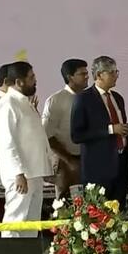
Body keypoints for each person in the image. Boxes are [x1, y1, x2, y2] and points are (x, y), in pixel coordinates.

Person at [0, 61, 53, 238]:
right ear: (19, 82)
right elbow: (7, 142)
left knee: (31, 223)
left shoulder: (24, 103)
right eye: (31, 78)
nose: (35, 81)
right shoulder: (7, 104)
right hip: (20, 175)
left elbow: (35, 138)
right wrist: (18, 173)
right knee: (15, 221)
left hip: (34, 173)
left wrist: (47, 167)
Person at [71, 56, 128, 208]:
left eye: (116, 72)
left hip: (121, 167)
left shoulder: (117, 98)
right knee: (98, 217)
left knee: (119, 216)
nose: (115, 76)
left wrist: (127, 129)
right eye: (111, 72)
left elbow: (120, 127)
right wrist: (111, 129)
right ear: (99, 75)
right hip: (98, 171)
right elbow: (77, 135)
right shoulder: (83, 99)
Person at [42, 59, 89, 198]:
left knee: (87, 204)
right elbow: (47, 135)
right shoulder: (56, 100)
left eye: (87, 73)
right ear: (70, 77)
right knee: (65, 204)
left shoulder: (89, 98)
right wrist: (69, 160)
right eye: (82, 74)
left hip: (86, 160)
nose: (87, 76)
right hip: (65, 162)